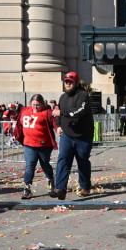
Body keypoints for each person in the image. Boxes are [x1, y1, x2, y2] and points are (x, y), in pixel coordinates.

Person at [50, 71, 94, 200]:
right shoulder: (63, 97)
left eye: (70, 82)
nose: (68, 84)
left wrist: (62, 113)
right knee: (63, 160)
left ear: (76, 83)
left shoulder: (83, 95)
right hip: (67, 136)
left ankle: (85, 187)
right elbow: (57, 115)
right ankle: (60, 188)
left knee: (82, 161)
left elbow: (79, 111)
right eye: (66, 82)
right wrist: (58, 126)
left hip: (83, 136)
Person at [13, 94, 58, 199]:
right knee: (30, 167)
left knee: (45, 164)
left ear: (42, 104)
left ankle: (51, 182)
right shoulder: (24, 111)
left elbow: (55, 123)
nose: (35, 107)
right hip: (29, 144)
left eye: (38, 105)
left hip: (44, 145)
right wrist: (16, 134)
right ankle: (27, 189)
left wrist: (58, 128)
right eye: (33, 105)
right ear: (30, 104)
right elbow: (19, 124)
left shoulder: (47, 113)